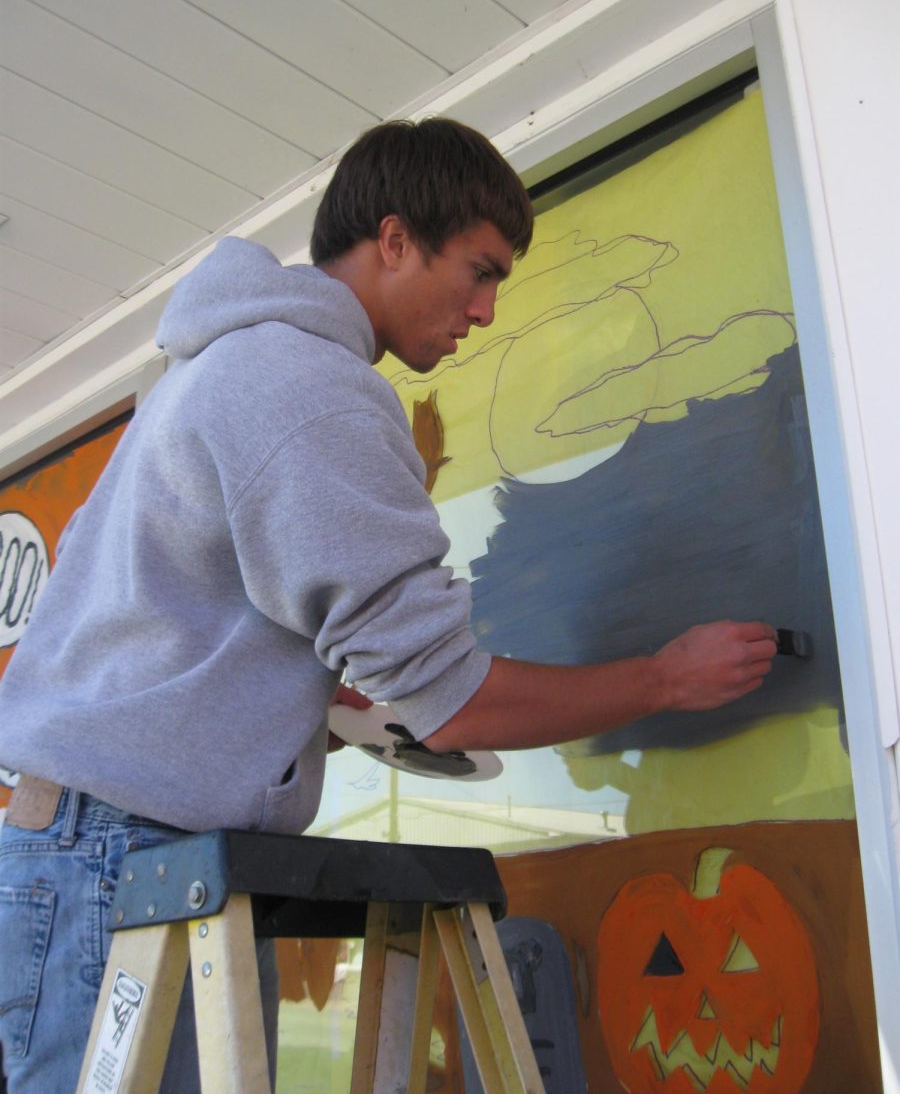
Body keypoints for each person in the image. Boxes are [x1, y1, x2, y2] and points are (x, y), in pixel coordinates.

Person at [0, 118, 776, 1093]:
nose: (486, 311)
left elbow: (168, 613)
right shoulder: (310, 393)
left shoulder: (218, 370)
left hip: (100, 850)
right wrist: (664, 678)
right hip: (125, 867)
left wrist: (319, 710)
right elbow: (454, 701)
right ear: (397, 239)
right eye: (481, 271)